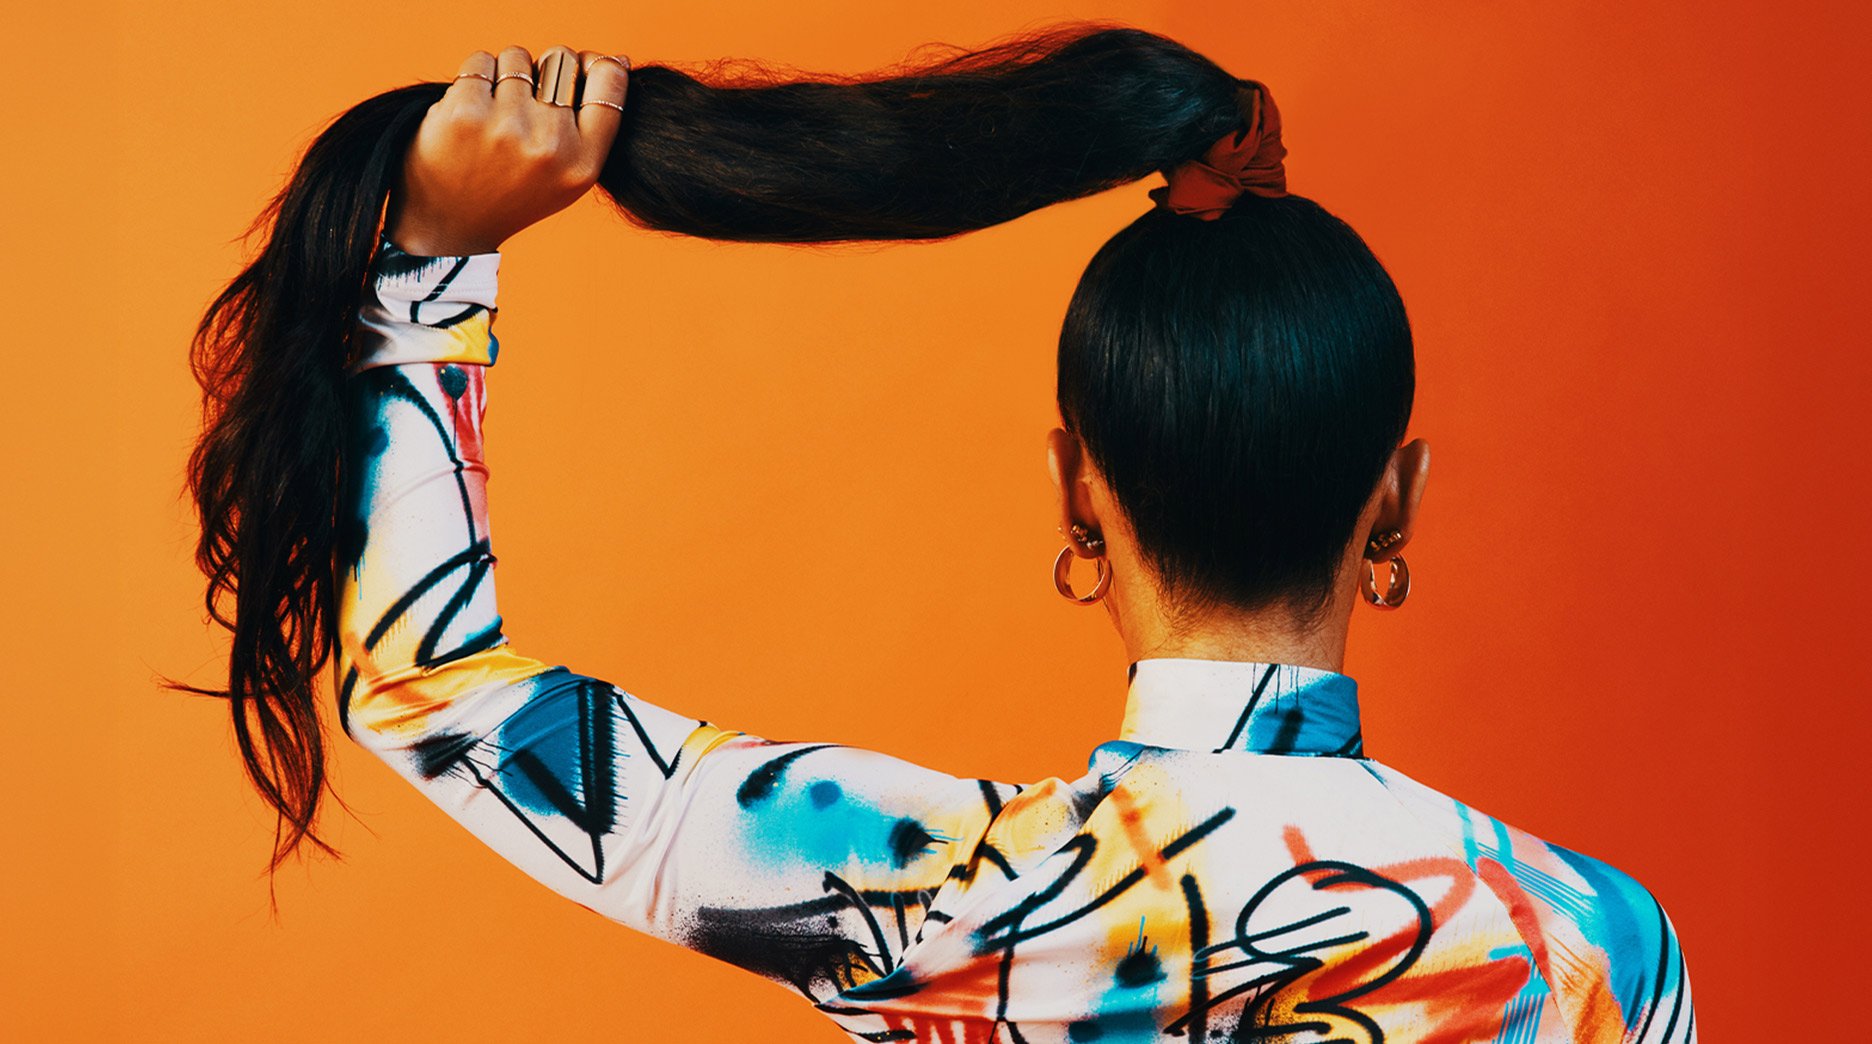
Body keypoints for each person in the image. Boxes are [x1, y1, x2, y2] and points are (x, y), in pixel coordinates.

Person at [185, 28, 1694, 1043]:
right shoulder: (1607, 952)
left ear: (1073, 492)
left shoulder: (942, 894)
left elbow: (430, 695)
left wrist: (430, 268)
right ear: (1398, 499)